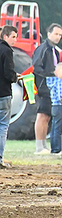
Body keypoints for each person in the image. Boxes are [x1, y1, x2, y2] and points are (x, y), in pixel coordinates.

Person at [32, 23, 62, 154]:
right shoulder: (43, 49)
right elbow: (36, 67)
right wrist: (52, 75)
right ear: (49, 34)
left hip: (52, 88)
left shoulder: (55, 51)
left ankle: (44, 145)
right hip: (43, 86)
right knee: (42, 115)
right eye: (56, 34)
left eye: (60, 35)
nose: (58, 37)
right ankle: (39, 147)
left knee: (47, 117)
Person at [0, 25, 18, 168]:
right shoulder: (6, 51)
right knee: (3, 126)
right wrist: (16, 77)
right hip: (4, 94)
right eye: (13, 36)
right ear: (5, 36)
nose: (15, 40)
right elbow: (8, 74)